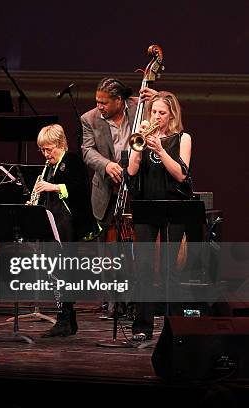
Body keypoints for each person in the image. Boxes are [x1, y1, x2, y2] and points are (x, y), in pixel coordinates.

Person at [80, 78, 156, 316]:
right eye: (97, 102)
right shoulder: (89, 119)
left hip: (137, 186)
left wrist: (156, 96)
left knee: (136, 244)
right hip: (107, 188)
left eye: (104, 102)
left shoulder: (139, 107)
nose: (99, 106)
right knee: (107, 249)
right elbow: (87, 151)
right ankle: (113, 301)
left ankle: (137, 298)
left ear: (119, 101)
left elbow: (167, 113)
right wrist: (106, 165)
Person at [127, 91, 192, 341]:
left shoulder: (182, 138)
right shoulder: (143, 137)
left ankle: (172, 327)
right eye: (154, 112)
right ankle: (142, 327)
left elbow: (181, 175)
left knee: (169, 269)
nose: (157, 117)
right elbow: (132, 170)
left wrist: (161, 149)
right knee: (143, 268)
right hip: (146, 206)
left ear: (172, 114)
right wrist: (139, 146)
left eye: (162, 113)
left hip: (173, 206)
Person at [30, 124, 99, 337]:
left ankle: (65, 319)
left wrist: (54, 187)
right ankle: (66, 319)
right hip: (54, 222)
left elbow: (80, 190)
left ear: (61, 144)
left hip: (69, 224)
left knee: (64, 272)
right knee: (55, 272)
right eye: (42, 150)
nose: (46, 154)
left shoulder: (72, 160)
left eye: (49, 149)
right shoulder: (49, 166)